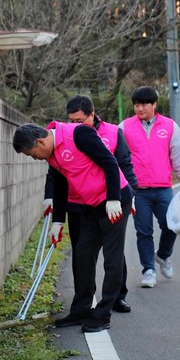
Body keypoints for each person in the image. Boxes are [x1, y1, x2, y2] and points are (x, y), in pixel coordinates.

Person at [13, 121, 123, 333]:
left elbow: (110, 162)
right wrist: (57, 222)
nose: (34, 158)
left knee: (112, 258)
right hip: (90, 204)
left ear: (40, 141)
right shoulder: (52, 154)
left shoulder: (79, 134)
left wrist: (114, 198)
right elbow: (61, 187)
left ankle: (103, 314)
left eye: (31, 154)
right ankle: (81, 309)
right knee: (82, 254)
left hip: (113, 202)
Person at [65, 95, 136, 315]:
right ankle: (83, 300)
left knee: (113, 251)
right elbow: (58, 167)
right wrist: (51, 197)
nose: (75, 125)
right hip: (78, 203)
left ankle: (117, 297)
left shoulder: (114, 133)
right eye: (71, 121)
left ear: (92, 115)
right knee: (82, 253)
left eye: (79, 120)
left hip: (110, 201)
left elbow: (124, 165)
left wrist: (129, 196)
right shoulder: (68, 135)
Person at [120, 87, 180, 288]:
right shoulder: (125, 127)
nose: (140, 108)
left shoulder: (169, 126)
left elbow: (179, 155)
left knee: (171, 225)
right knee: (143, 231)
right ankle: (148, 270)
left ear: (154, 105)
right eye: (136, 105)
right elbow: (117, 157)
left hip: (163, 188)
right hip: (138, 190)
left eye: (144, 104)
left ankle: (162, 255)